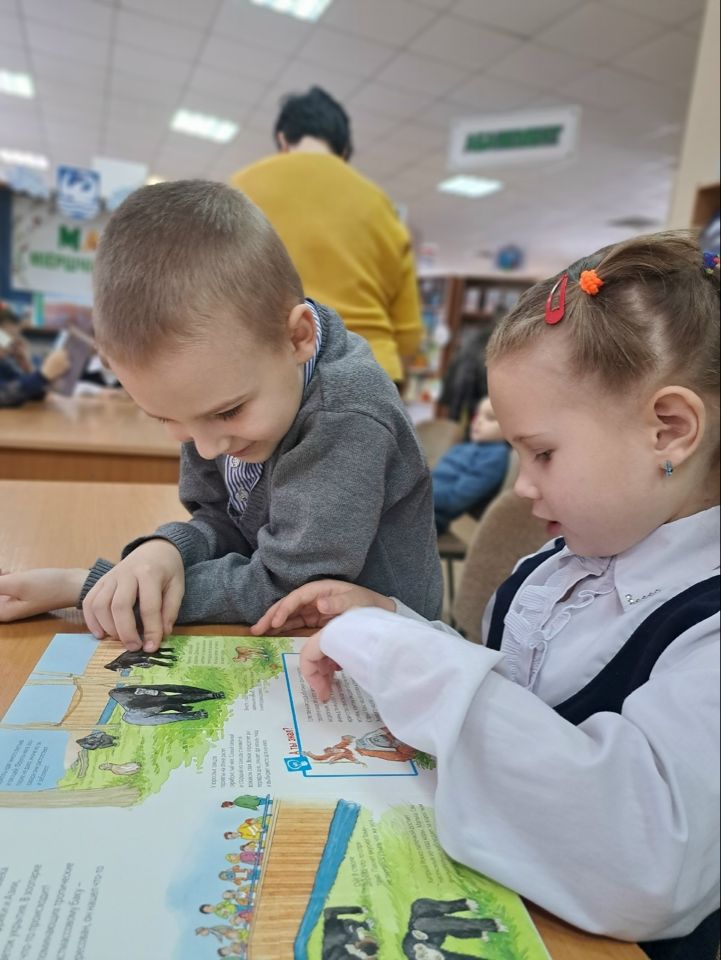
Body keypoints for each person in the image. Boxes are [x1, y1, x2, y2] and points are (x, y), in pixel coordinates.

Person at [251, 233, 721, 959]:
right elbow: (512, 699)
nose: (522, 486)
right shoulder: (556, 567)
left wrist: (408, 659)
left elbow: (646, 865)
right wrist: (395, 622)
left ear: (670, 430)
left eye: (543, 453)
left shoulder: (704, 625)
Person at [0, 180, 441, 651]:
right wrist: (166, 550)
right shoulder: (216, 398)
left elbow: (290, 585)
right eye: (166, 420)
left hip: (390, 651)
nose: (207, 448)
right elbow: (224, 518)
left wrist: (92, 586)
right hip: (307, 638)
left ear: (298, 338)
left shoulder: (346, 414)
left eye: (229, 412)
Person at [230, 86, 423, 387]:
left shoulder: (241, 188)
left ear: (283, 140)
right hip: (367, 368)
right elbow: (409, 333)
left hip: (264, 368)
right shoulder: (380, 204)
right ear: (343, 151)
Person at [431, 396, 509, 532]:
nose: (478, 421)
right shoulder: (462, 447)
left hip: (433, 516)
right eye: (477, 415)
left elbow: (455, 500)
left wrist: (419, 494)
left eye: (490, 418)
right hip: (422, 503)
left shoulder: (495, 455)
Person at [0, 301, 70, 407]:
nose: (10, 344)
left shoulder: (4, 365)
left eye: (14, 336)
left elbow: (34, 395)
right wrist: (43, 376)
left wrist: (27, 366)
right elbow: (5, 396)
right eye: (7, 337)